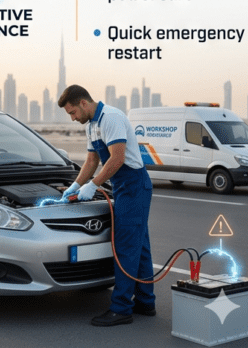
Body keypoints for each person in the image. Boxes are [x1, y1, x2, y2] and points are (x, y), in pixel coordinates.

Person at [58, 84, 156, 327]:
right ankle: (146, 302)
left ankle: (121, 308)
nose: (72, 118)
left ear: (83, 103)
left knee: (125, 247)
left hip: (134, 186)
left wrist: (93, 185)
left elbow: (117, 158)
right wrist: (75, 186)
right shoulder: (91, 125)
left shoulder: (110, 118)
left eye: (72, 112)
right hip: (123, 187)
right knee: (140, 246)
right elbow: (92, 160)